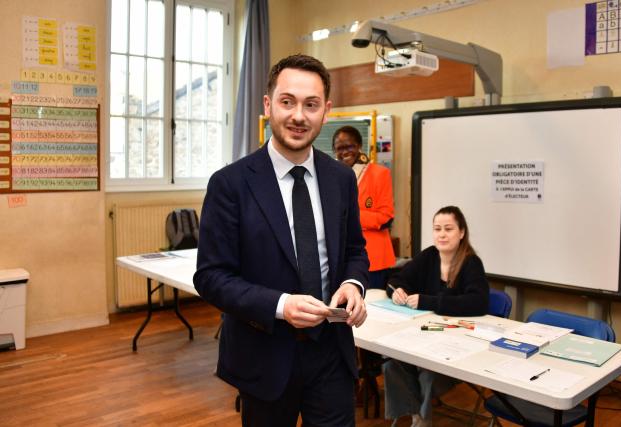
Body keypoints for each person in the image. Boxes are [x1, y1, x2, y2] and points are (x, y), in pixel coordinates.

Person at [193, 54, 369, 427]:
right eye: (288, 102)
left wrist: (354, 285)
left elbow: (355, 250)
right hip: (264, 357)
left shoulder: (341, 180)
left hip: (332, 354)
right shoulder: (230, 184)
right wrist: (280, 304)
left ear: (327, 111)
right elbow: (210, 277)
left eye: (311, 105)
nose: (299, 116)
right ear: (268, 104)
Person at [383, 206, 489, 427]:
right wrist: (396, 291)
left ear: (461, 233)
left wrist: (427, 301)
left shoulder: (471, 263)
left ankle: (422, 420)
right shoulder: (429, 256)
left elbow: (478, 302)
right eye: (437, 229)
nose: (441, 234)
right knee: (391, 365)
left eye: (448, 229)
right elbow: (397, 278)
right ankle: (417, 416)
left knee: (428, 372)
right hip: (423, 336)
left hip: (456, 343)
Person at [332, 126, 395, 290]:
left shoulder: (380, 174)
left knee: (372, 311)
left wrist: (348, 217)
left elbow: (386, 218)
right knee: (345, 312)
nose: (345, 152)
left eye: (350, 146)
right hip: (339, 260)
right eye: (340, 148)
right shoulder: (332, 177)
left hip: (373, 260)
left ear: (359, 146)